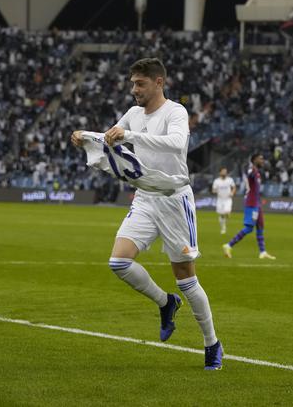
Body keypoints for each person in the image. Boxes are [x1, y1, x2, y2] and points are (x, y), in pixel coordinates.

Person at [70, 57, 223, 369]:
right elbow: (113, 137)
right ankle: (166, 303)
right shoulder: (133, 113)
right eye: (132, 84)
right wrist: (86, 138)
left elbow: (177, 144)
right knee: (119, 262)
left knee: (185, 277)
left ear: (158, 83)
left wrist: (129, 136)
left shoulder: (175, 112)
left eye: (140, 84)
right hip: (145, 197)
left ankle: (212, 344)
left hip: (174, 199)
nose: (134, 90)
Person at [222, 154, 276, 260]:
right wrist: (249, 170)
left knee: (260, 226)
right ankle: (228, 245)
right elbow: (248, 174)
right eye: (261, 159)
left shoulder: (257, 172)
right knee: (249, 228)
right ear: (254, 160)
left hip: (257, 202)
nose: (262, 160)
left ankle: (263, 252)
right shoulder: (252, 170)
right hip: (251, 203)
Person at [212, 167, 236, 234]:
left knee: (226, 212)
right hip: (220, 200)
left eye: (225, 171)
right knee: (221, 214)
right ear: (220, 172)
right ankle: (223, 227)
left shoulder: (230, 180)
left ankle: (227, 217)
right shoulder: (216, 181)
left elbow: (234, 187)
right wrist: (215, 191)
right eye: (223, 171)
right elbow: (213, 190)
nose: (224, 173)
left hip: (228, 199)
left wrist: (232, 193)